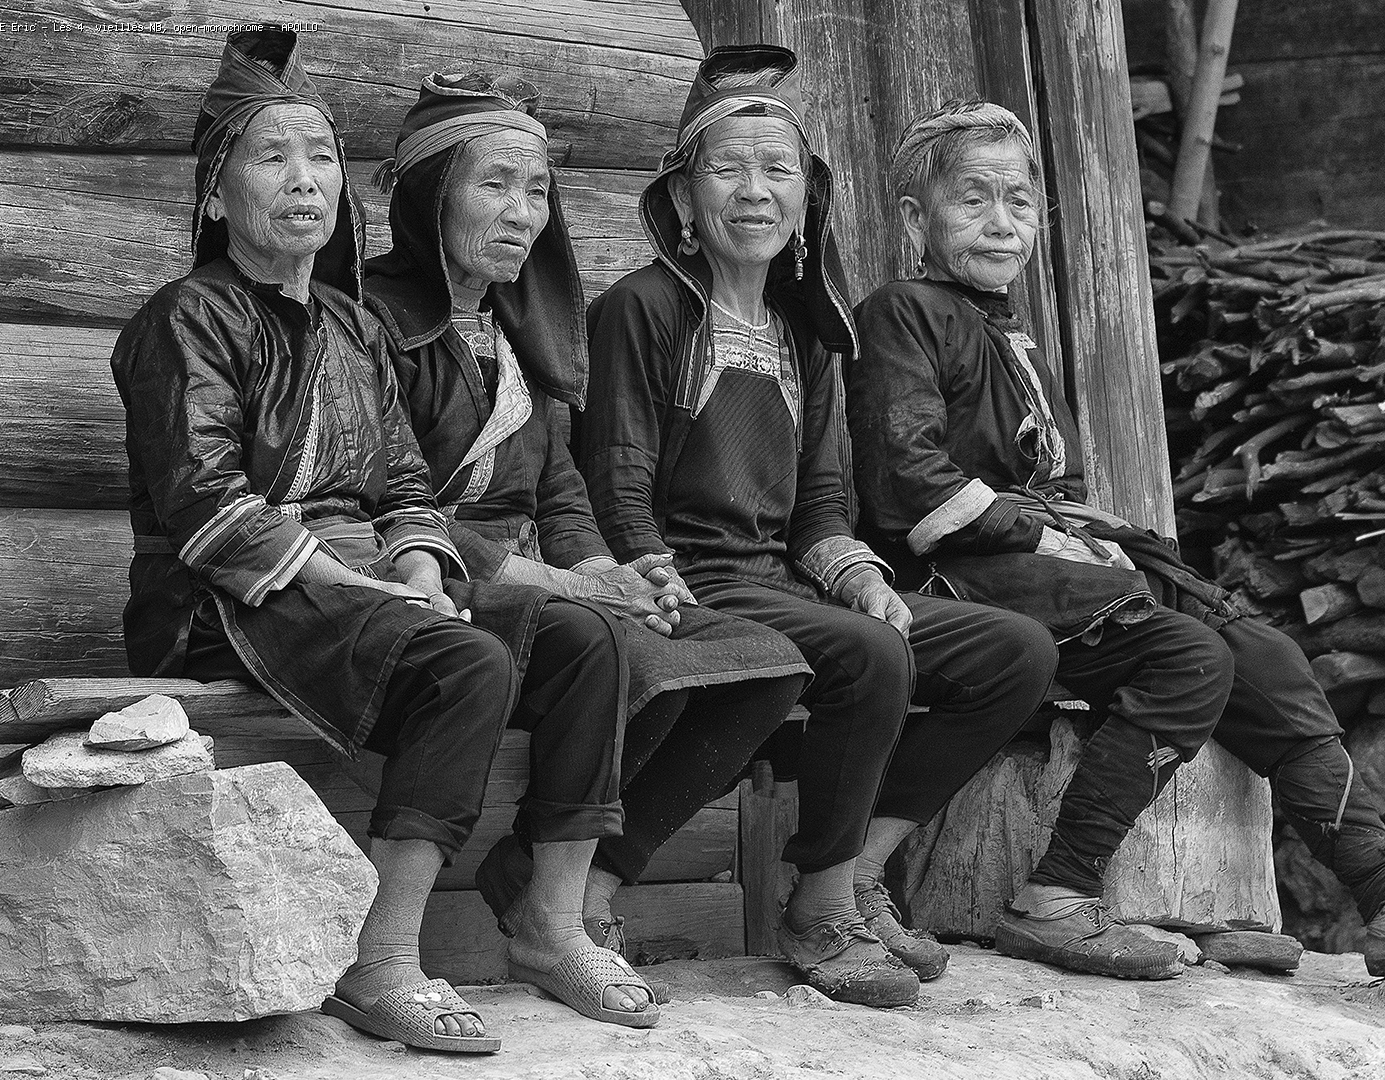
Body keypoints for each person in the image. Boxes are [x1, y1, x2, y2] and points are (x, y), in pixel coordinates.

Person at [845, 98, 1385, 982]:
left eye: (1017, 201)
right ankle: (1057, 896)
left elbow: (1051, 483)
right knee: (1190, 657)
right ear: (915, 219)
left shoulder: (1007, 330)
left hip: (1038, 564)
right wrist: (1044, 535)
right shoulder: (901, 312)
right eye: (972, 200)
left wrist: (1082, 535)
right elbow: (910, 483)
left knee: (1269, 657)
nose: (1001, 223)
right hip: (955, 575)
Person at [110, 28, 654, 1051]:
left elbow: (403, 483)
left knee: (589, 640)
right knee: (465, 662)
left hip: (349, 584)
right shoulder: (185, 318)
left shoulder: (352, 326)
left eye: (320, 157)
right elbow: (209, 509)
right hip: (226, 599)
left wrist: (417, 564)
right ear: (216, 196)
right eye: (271, 158)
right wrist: (373, 589)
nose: (304, 180)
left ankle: (552, 922)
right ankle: (383, 957)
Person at [578, 46, 1060, 1007]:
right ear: (682, 200)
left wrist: (863, 579)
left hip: (781, 580)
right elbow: (617, 483)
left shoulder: (809, 330)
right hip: (686, 579)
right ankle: (818, 907)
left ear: (809, 199)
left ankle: (860, 873)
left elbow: (821, 506)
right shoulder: (643, 308)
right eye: (728, 169)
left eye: (779, 170)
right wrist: (647, 574)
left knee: (1013, 653)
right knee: (866, 656)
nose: (755, 191)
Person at [362, 72, 811, 971]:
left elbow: (562, 491)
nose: (521, 213)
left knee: (760, 662)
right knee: (600, 640)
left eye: (536, 191)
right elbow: (384, 499)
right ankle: (549, 916)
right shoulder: (366, 321)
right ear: (428, 196)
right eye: (494, 185)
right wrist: (575, 587)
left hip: (537, 582)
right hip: (425, 575)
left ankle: (547, 884)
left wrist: (612, 571)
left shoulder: (520, 333)